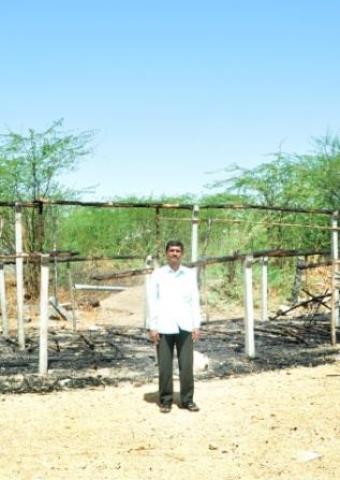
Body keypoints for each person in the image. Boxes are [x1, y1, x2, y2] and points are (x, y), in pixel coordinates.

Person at [147, 240, 201, 413]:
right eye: (171, 250)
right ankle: (165, 400)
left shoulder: (190, 274)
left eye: (178, 251)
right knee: (164, 366)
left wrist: (196, 325)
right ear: (166, 253)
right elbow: (152, 301)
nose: (175, 253)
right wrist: (152, 326)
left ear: (182, 254)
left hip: (185, 325)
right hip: (164, 325)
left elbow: (195, 300)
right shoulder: (158, 274)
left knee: (186, 365)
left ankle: (187, 400)